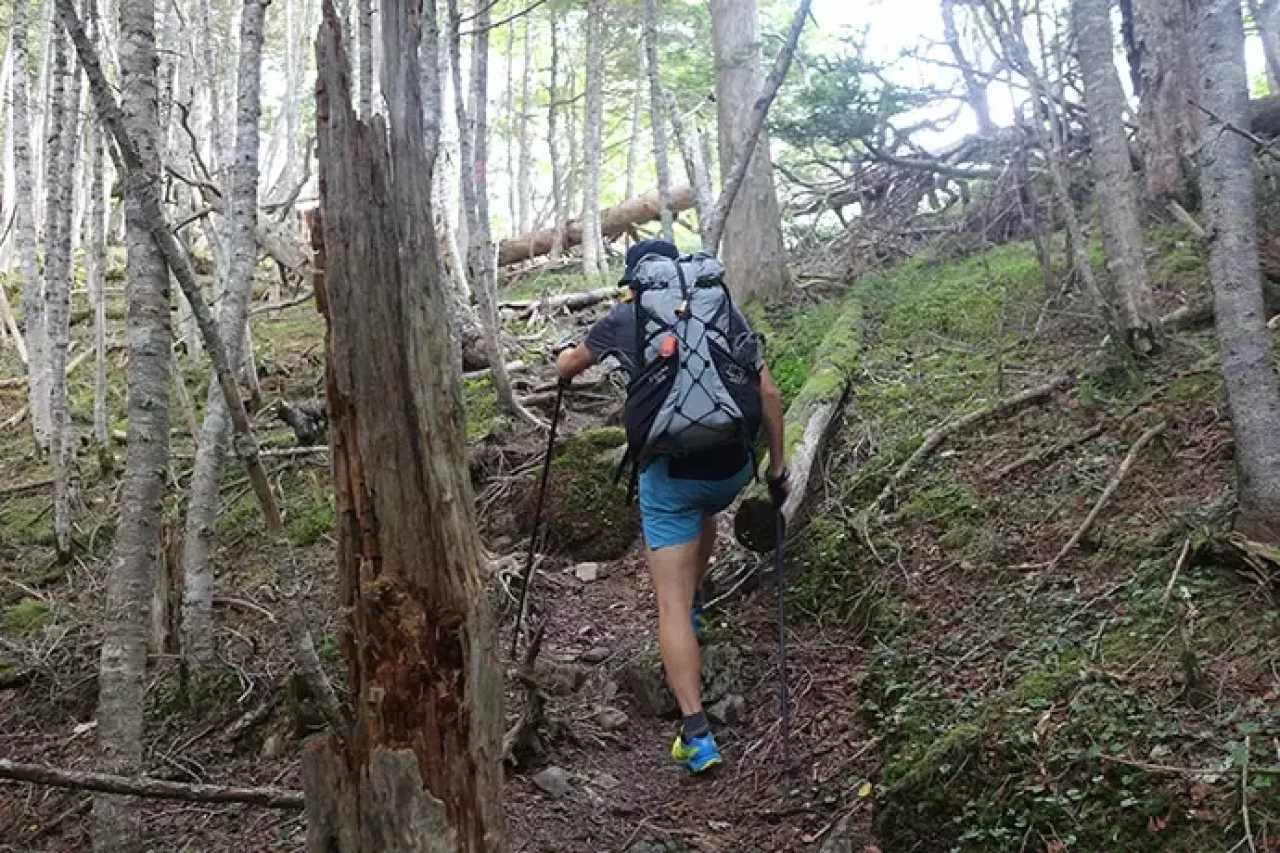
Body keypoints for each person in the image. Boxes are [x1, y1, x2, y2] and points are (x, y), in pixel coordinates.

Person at [556, 239, 790, 773]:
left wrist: (563, 357)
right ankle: (699, 603)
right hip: (731, 469)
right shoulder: (719, 307)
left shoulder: (626, 316)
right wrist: (776, 468)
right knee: (703, 513)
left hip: (671, 478)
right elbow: (770, 396)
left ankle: (697, 734)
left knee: (669, 607)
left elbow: (569, 368)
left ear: (636, 280)